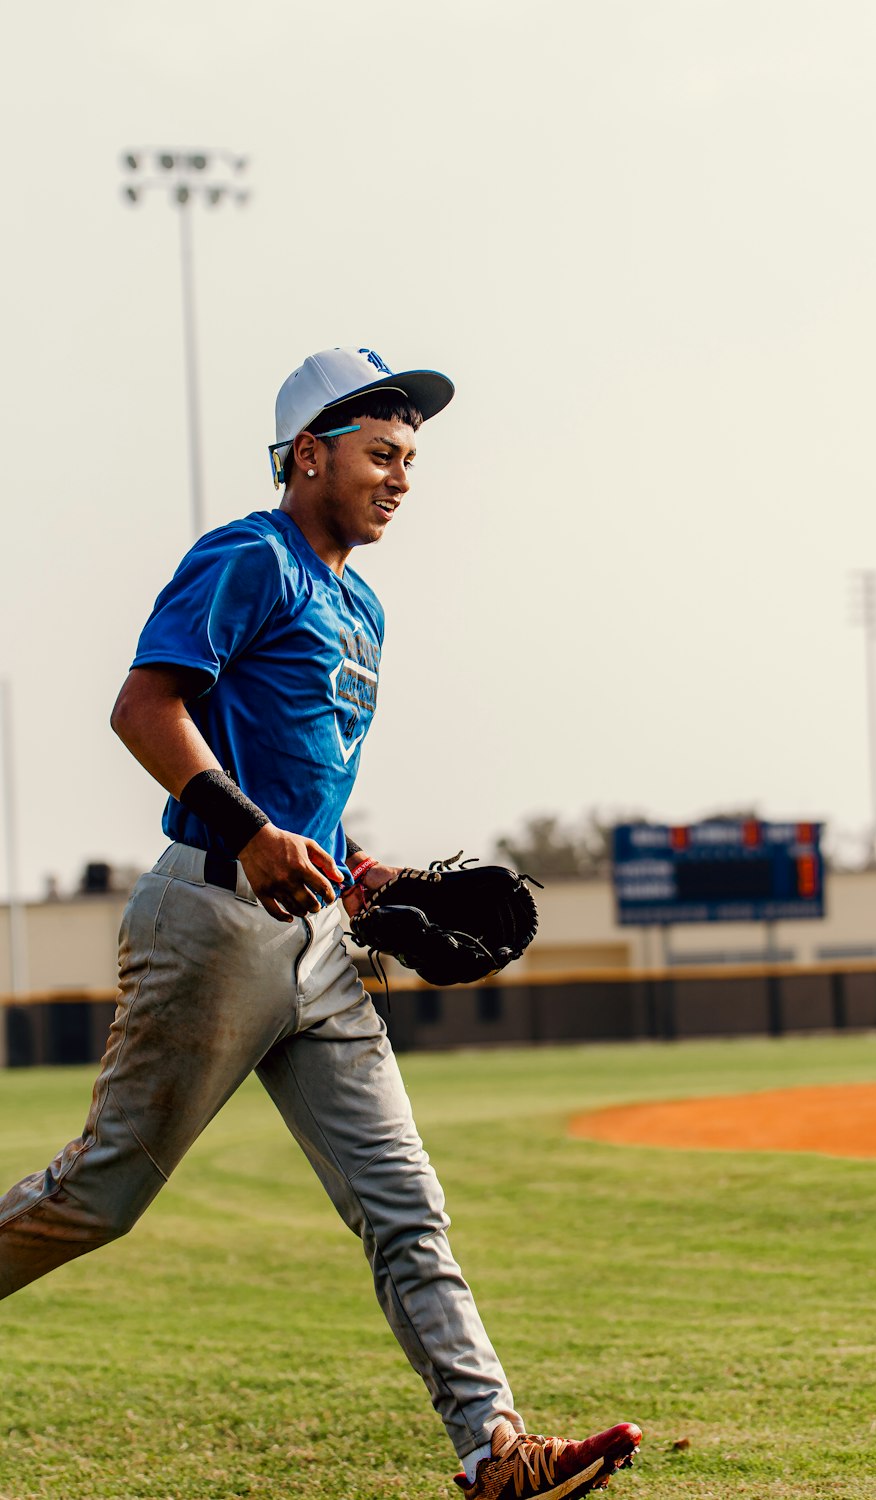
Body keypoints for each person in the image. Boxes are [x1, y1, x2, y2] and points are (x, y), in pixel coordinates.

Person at [0, 347, 641, 1498]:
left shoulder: (361, 606)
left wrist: (365, 870)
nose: (402, 477)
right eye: (380, 454)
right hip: (207, 915)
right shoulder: (251, 558)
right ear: (308, 456)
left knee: (405, 1204)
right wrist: (248, 829)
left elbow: (308, 799)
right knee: (98, 1196)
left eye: (411, 460)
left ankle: (494, 1450)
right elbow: (143, 707)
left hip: (317, 940)